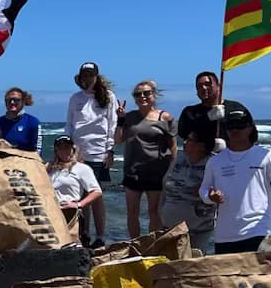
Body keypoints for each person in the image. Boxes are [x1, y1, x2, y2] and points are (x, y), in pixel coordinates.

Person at [200, 107, 271, 254]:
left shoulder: (266, 155)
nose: (235, 130)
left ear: (250, 128)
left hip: (257, 231)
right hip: (224, 235)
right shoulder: (216, 161)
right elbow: (204, 189)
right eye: (231, 126)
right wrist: (210, 197)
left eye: (240, 125)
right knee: (228, 277)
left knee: (256, 277)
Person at [65, 61, 117, 246]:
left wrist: (110, 150)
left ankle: (101, 235)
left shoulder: (108, 97)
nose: (87, 80)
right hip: (78, 154)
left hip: (98, 153)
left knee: (96, 196)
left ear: (96, 77)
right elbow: (70, 125)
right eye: (84, 77)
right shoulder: (75, 98)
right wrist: (67, 148)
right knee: (80, 196)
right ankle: (84, 232)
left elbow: (112, 125)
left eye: (90, 76)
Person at [115, 80, 175, 239]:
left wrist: (172, 170)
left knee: (154, 211)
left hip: (156, 172)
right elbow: (118, 140)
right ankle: (135, 244)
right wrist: (120, 120)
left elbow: (173, 146)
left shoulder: (165, 117)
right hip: (132, 171)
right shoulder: (129, 117)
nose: (142, 96)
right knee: (132, 212)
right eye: (138, 94)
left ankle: (152, 245)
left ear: (154, 95)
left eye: (146, 93)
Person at [160, 130, 217, 256]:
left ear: (202, 146)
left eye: (190, 140)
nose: (184, 142)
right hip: (169, 227)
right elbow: (165, 185)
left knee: (192, 266)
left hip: (197, 230)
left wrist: (205, 192)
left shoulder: (214, 163)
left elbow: (218, 193)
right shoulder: (179, 159)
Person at [46, 135, 102, 247]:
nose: (64, 151)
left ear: (73, 149)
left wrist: (79, 204)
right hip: (52, 213)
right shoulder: (51, 169)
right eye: (60, 148)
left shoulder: (81, 168)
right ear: (56, 151)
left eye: (67, 148)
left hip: (70, 213)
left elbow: (96, 192)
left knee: (70, 245)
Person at [177, 71, 248, 150]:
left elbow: (249, 133)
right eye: (199, 86)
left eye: (207, 84)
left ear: (218, 86)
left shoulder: (236, 108)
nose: (203, 88)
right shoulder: (190, 112)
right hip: (202, 159)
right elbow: (183, 133)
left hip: (232, 157)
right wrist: (208, 118)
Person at [0, 87, 41, 153]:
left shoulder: (33, 122)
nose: (12, 102)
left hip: (26, 161)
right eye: (9, 100)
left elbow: (38, 150)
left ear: (23, 101)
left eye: (16, 100)